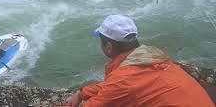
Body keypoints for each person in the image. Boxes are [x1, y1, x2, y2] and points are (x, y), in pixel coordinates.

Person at [65, 15, 214, 107]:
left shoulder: (124, 78)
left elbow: (118, 87)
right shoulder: (155, 59)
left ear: (108, 47)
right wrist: (82, 93)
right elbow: (122, 85)